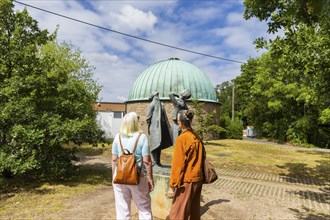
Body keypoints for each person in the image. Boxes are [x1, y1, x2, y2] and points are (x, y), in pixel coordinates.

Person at [112, 112, 154, 220]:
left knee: (122, 209)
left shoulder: (117, 137)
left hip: (119, 175)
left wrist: (114, 176)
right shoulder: (142, 137)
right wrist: (150, 179)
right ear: (136, 122)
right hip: (138, 176)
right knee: (144, 207)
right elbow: (147, 161)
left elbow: (114, 159)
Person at [167, 110, 204, 220]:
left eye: (177, 121)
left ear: (180, 123)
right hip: (198, 178)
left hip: (187, 180)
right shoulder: (196, 136)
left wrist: (172, 186)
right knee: (193, 212)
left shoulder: (182, 139)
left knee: (177, 213)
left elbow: (178, 165)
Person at [146, 91, 173, 166]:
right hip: (161, 127)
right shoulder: (161, 104)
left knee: (155, 144)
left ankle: (155, 161)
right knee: (158, 144)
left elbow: (148, 118)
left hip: (155, 127)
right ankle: (157, 161)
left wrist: (149, 126)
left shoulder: (152, 104)